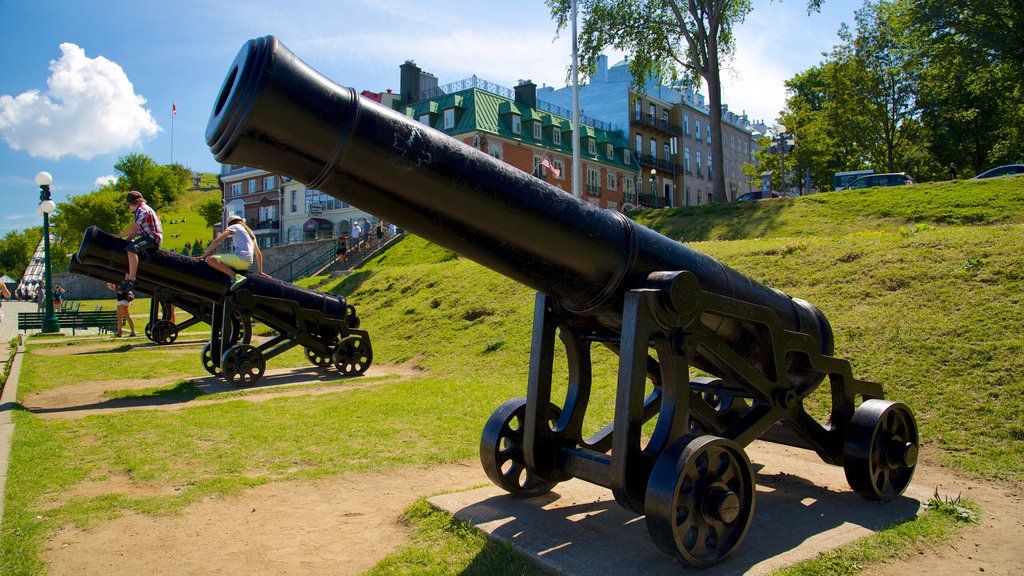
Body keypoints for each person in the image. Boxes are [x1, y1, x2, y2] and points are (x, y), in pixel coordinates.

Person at [199, 215, 270, 288]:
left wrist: (203, 256)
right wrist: (260, 272)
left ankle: (235, 277)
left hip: (240, 259)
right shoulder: (250, 234)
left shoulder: (234, 227)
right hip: (247, 263)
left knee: (210, 259)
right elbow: (258, 254)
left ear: (230, 224)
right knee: (223, 262)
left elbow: (217, 241)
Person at [115, 191, 163, 293]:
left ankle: (131, 280)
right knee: (129, 247)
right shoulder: (143, 209)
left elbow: (134, 228)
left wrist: (119, 235)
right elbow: (136, 231)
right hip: (151, 237)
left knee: (132, 249)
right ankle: (128, 276)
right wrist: (125, 242)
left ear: (129, 204)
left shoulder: (142, 210)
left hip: (153, 238)